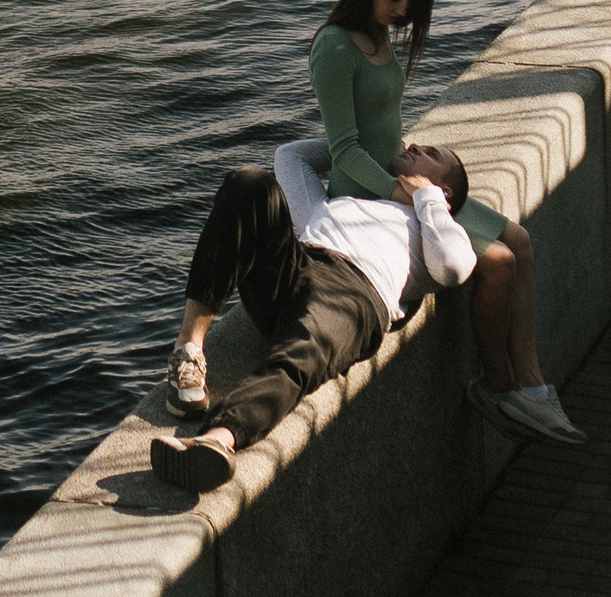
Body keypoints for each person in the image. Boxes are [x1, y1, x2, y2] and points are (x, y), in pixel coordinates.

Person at [301, 0, 582, 445]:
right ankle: (496, 387)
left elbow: (383, 124)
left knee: (518, 240)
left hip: (407, 181)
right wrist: (401, 192)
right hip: (373, 196)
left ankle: (533, 386)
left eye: (412, 1)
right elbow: (343, 150)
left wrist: (418, 176)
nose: (403, 10)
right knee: (496, 261)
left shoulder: (380, 34)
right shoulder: (334, 48)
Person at [151, 141, 478, 494]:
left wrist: (427, 200)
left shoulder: (432, 230)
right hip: (296, 264)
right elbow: (289, 157)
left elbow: (453, 269)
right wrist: (363, 139)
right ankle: (189, 350)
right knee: (249, 183)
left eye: (431, 154)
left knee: (300, 356)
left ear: (445, 191)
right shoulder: (346, 202)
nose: (416, 145)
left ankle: (217, 440)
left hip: (354, 292)